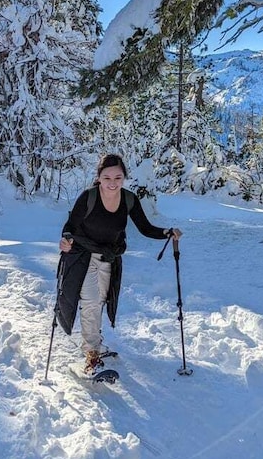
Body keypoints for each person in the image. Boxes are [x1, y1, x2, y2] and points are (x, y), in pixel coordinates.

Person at [56, 154, 182, 375]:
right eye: (107, 178)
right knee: (91, 301)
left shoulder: (129, 199)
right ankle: (91, 356)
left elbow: (145, 228)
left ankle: (94, 342)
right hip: (83, 255)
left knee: (101, 300)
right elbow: (70, 226)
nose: (112, 183)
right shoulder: (89, 197)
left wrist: (166, 233)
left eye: (117, 177)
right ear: (99, 178)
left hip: (109, 257)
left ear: (124, 177)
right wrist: (66, 240)